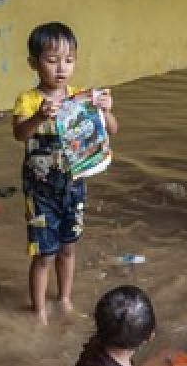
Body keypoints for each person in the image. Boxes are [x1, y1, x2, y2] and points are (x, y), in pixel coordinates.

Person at [13, 22, 117, 324]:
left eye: (69, 60)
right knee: (44, 254)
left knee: (68, 248)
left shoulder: (81, 98)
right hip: (40, 192)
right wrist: (39, 116)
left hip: (74, 188)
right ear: (34, 63)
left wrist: (106, 109)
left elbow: (112, 130)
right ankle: (40, 311)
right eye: (52, 60)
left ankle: (65, 299)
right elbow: (20, 134)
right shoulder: (28, 101)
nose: (61, 69)